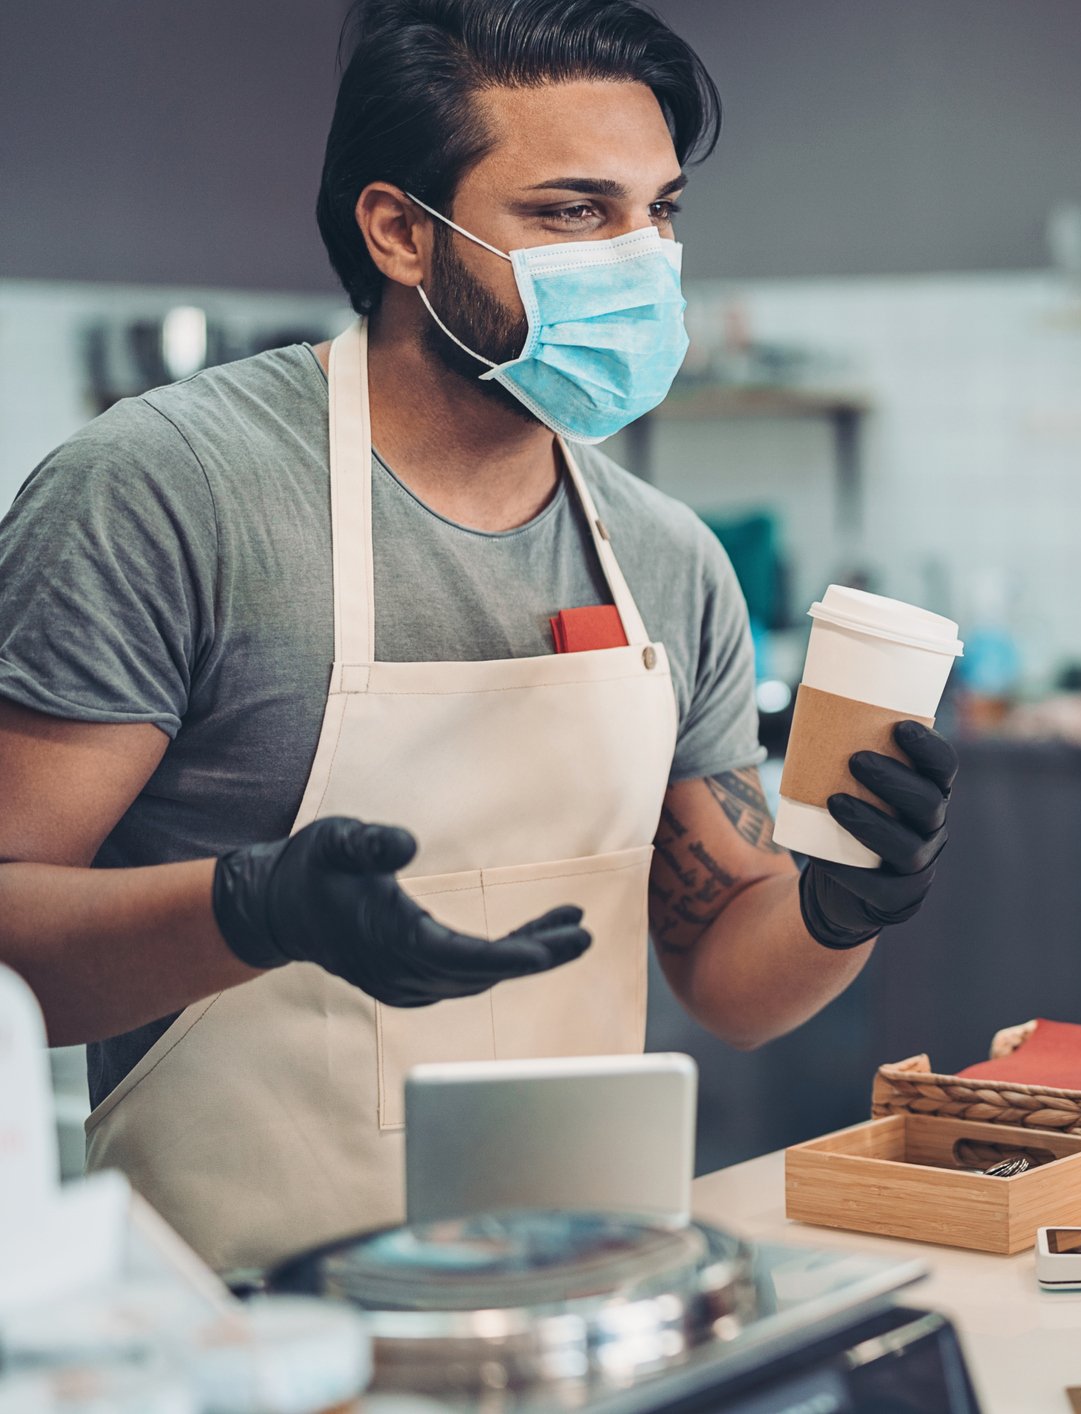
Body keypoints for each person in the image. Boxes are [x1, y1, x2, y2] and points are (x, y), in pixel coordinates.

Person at [0, 0, 952, 1271]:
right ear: (400, 231)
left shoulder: (666, 557)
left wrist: (842, 903)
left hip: (585, 1293)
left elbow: (726, 970)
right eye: (573, 212)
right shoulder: (167, 496)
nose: (640, 257)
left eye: (658, 210)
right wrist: (254, 908)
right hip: (242, 1322)